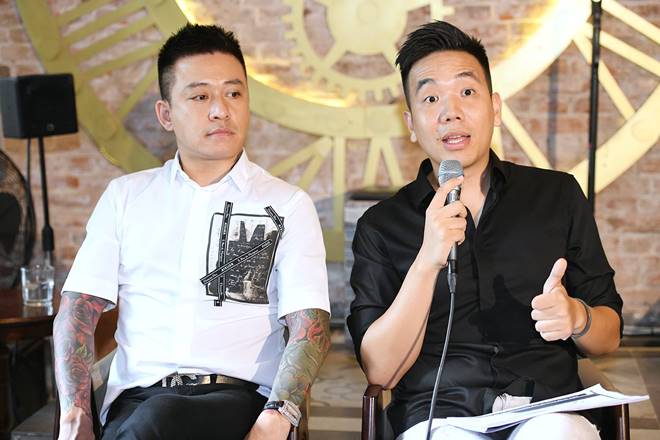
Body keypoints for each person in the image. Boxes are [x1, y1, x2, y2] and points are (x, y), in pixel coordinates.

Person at [53, 24, 331, 440]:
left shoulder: (286, 204)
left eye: (233, 93)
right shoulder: (126, 197)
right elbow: (77, 310)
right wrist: (75, 414)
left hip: (238, 402)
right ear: (166, 114)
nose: (221, 110)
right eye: (200, 96)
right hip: (137, 403)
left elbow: (311, 324)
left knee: (158, 419)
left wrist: (279, 416)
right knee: (150, 419)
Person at [347, 21, 622, 440]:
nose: (450, 112)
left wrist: (575, 317)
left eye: (467, 92)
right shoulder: (382, 226)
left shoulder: (556, 195)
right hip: (440, 417)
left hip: (547, 410)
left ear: (495, 108)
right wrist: (427, 261)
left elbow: (609, 336)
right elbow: (381, 372)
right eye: (431, 98)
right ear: (411, 123)